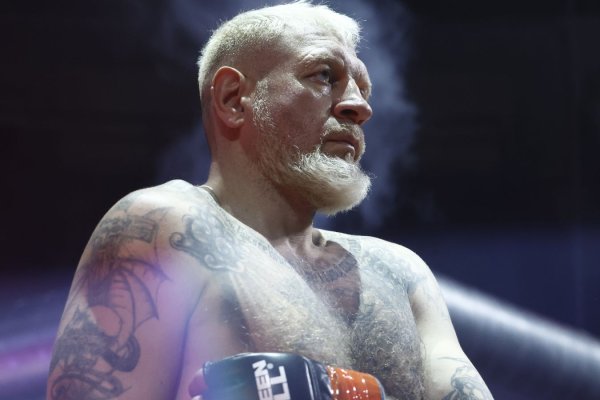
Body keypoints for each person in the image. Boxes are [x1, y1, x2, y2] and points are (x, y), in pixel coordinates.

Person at [46, 1, 494, 399]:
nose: (359, 107)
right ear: (233, 98)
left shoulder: (401, 271)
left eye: (363, 88)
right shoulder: (162, 225)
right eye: (324, 76)